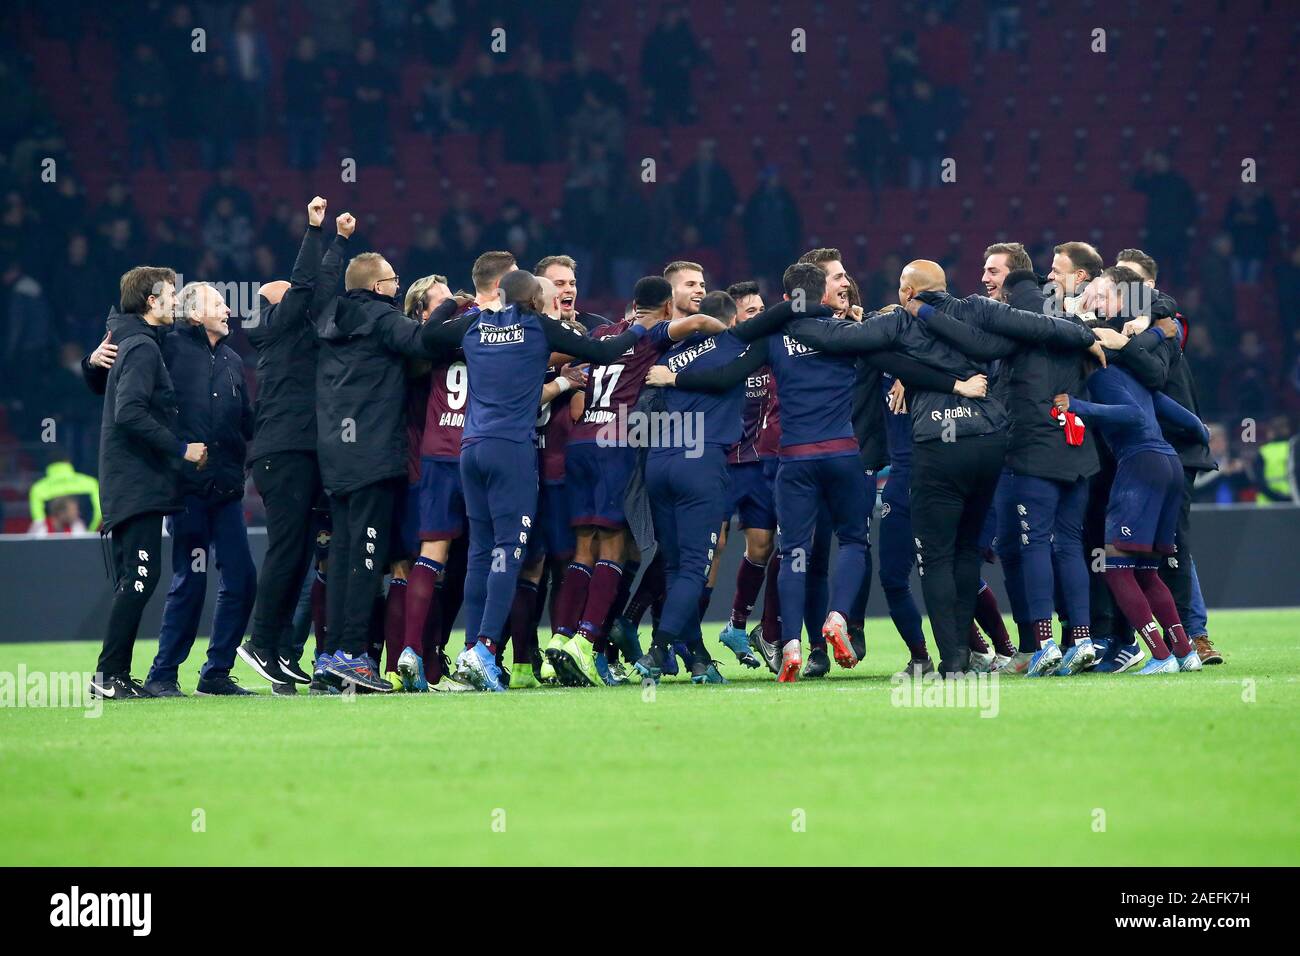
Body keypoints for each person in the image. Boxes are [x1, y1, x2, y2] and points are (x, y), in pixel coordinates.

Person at [416, 270, 660, 692]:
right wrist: (641, 324)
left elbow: (429, 336)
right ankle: (486, 650)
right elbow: (604, 352)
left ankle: (472, 647)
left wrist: (449, 303)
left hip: (470, 449)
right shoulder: (537, 327)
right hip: (511, 450)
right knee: (509, 551)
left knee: (480, 551)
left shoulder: (473, 323)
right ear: (533, 301)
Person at [545, 263, 723, 685]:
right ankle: (586, 642)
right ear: (664, 306)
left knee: (582, 549)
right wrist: (728, 331)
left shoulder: (604, 334)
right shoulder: (655, 332)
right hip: (616, 445)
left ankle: (561, 638)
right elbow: (697, 321)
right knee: (615, 548)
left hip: (581, 443)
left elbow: (552, 355)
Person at [313, 249, 447, 692]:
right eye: (392, 280)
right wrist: (455, 312)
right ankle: (354, 655)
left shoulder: (330, 318)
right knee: (367, 560)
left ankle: (331, 655)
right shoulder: (384, 318)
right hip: (372, 456)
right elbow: (425, 343)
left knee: (344, 556)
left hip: (335, 454)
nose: (395, 286)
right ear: (377, 287)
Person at [237, 198, 349, 690]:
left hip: (298, 450)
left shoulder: (295, 328)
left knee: (299, 551)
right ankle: (259, 643)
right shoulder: (277, 327)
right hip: (283, 452)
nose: (299, 297)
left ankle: (279, 648)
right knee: (286, 550)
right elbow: (306, 285)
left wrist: (341, 242)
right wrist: (315, 229)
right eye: (288, 293)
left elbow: (317, 288)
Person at [1056, 319, 1209, 674]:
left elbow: (1130, 415)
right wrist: (1199, 430)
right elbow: (1168, 407)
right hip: (1169, 465)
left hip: (1140, 466)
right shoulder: (1133, 377)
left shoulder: (1100, 377)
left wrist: (1079, 406)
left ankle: (1159, 654)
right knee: (1146, 571)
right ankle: (1184, 651)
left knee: (1116, 570)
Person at [88, 266, 207, 700]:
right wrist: (181, 449)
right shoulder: (140, 346)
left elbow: (106, 388)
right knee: (140, 576)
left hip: (131, 480)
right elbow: (129, 412)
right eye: (171, 295)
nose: (176, 301)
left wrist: (89, 364)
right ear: (152, 302)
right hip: (135, 480)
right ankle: (107, 676)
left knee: (136, 577)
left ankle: (115, 674)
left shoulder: (132, 340)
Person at [142, 281, 256, 696]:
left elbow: (247, 421)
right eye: (219, 304)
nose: (228, 310)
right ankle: (162, 674)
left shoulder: (232, 360)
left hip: (226, 491)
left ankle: (216, 673)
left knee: (242, 579)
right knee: (191, 578)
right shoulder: (167, 347)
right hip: (187, 491)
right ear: (193, 314)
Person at [29, 459, 100, 532]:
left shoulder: (37, 488)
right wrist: (91, 531)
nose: (78, 513)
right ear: (61, 513)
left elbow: (38, 516)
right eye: (73, 510)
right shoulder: (91, 483)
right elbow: (98, 511)